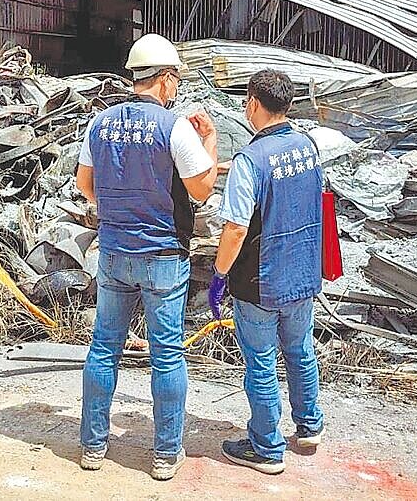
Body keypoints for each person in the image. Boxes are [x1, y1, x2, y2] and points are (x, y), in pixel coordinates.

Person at [76, 33, 218, 481]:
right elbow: (202, 188)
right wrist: (209, 140)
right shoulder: (173, 126)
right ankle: (164, 454)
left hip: (114, 251)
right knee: (167, 354)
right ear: (167, 79)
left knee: (104, 348)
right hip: (162, 256)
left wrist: (118, 209)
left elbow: (85, 184)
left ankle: (93, 448)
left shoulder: (99, 124)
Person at [208, 69, 325, 475]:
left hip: (261, 281)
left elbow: (236, 227)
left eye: (246, 102)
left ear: (254, 103)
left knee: (260, 362)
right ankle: (309, 427)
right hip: (303, 272)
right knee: (299, 350)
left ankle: (266, 448)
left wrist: (219, 275)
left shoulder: (251, 159)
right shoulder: (307, 146)